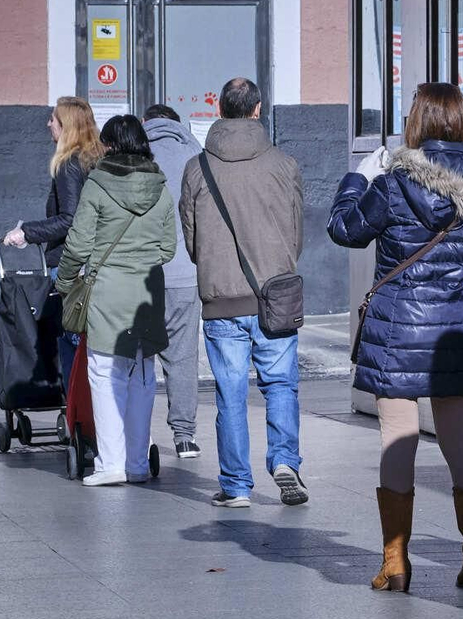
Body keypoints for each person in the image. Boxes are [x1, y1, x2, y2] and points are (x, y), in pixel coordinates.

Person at [328, 83, 463, 592]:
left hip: (398, 331)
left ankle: (395, 562)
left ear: (418, 123)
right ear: (461, 124)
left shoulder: (391, 185)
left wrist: (355, 179)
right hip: (457, 330)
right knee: (460, 439)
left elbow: (344, 229)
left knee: (398, 437)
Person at [179, 78, 308, 508]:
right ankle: (285, 461)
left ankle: (235, 485)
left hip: (221, 300)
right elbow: (295, 234)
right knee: (281, 384)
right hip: (273, 296)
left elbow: (192, 237)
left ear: (220, 108)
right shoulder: (283, 163)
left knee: (230, 392)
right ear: (256, 110)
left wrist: (216, 270)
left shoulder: (198, 167)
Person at [55, 115, 175, 487]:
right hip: (147, 292)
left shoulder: (97, 184)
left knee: (106, 375)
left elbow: (78, 243)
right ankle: (137, 463)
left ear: (109, 146)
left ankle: (110, 464)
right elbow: (168, 248)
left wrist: (64, 279)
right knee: (141, 375)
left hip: (107, 291)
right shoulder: (161, 187)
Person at [5, 96, 102, 387]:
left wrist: (27, 233)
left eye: (53, 119)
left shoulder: (68, 164)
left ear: (66, 126)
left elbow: (69, 218)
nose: (48, 124)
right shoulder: (96, 159)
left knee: (71, 340)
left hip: (70, 264)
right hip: (96, 262)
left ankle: (76, 418)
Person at [142, 103, 205, 459]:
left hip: (143, 274)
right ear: (177, 124)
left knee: (138, 356)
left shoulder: (134, 155)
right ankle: (184, 437)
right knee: (182, 357)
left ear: (145, 123)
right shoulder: (197, 154)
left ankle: (140, 435)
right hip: (185, 272)